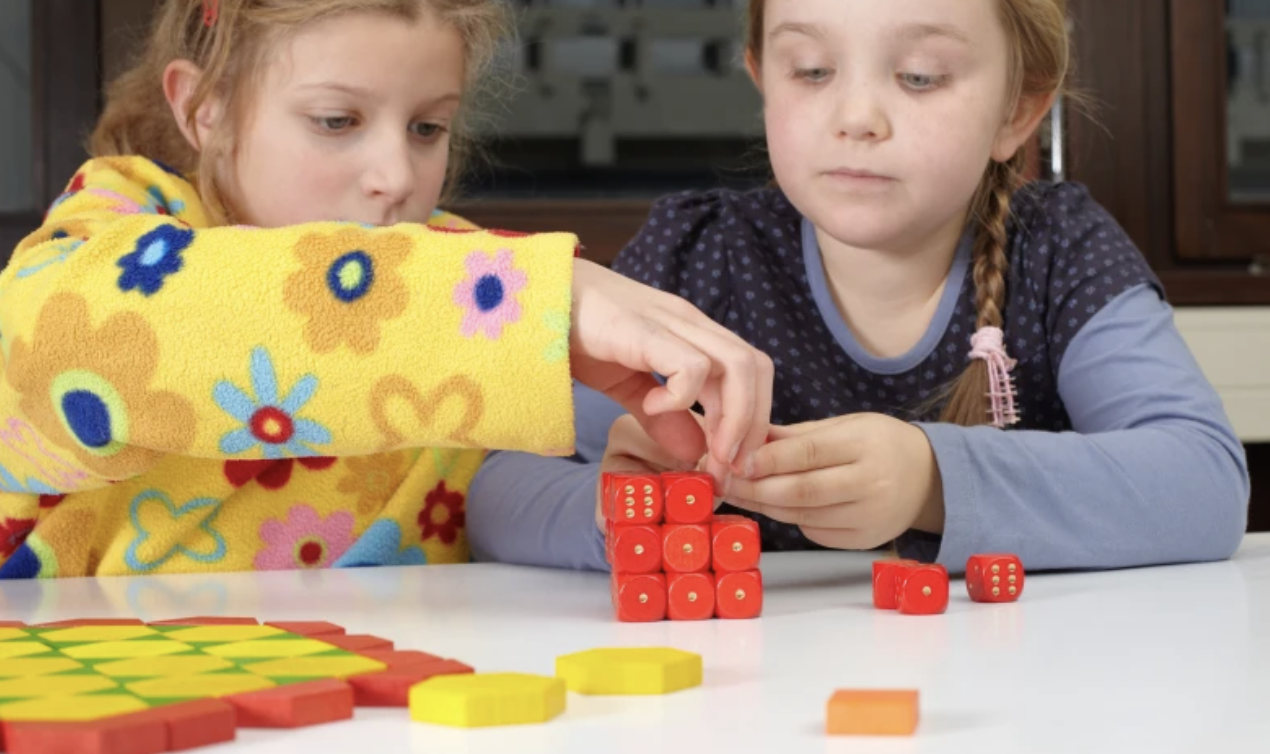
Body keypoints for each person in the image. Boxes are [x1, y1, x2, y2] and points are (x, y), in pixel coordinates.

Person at [467, 0, 1250, 573]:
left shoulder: (1062, 251)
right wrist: (621, 510)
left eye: (920, 76)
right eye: (811, 70)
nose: (857, 116)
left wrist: (931, 481)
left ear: (1017, 111)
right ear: (762, 78)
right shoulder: (697, 254)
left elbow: (1204, 484)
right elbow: (499, 495)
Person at [0, 0, 772, 578]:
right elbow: (67, 346)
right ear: (204, 109)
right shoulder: (118, 231)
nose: (396, 177)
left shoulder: (464, 271)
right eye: (337, 121)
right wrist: (526, 302)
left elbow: (492, 492)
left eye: (427, 128)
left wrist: (619, 504)